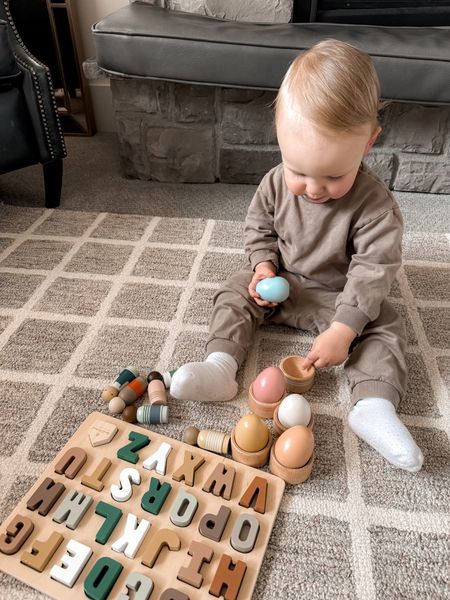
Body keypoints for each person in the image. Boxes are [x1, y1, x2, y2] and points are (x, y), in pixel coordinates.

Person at [170, 39, 423, 473]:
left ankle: (374, 406)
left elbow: (373, 270)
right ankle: (221, 365)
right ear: (280, 138)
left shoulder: (375, 205)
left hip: (339, 298)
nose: (313, 187)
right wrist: (263, 266)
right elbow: (259, 229)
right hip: (284, 286)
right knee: (233, 289)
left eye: (332, 175)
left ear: (368, 143)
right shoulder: (272, 183)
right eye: (298, 170)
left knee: (386, 324)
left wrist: (345, 329)